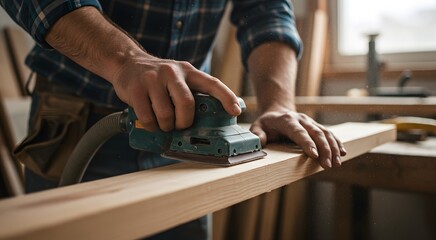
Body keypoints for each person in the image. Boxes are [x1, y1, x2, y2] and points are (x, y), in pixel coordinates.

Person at [1, 0, 346, 239]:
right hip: (79, 119)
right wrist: (126, 61)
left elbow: (267, 9)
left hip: (189, 131)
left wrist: (277, 103)